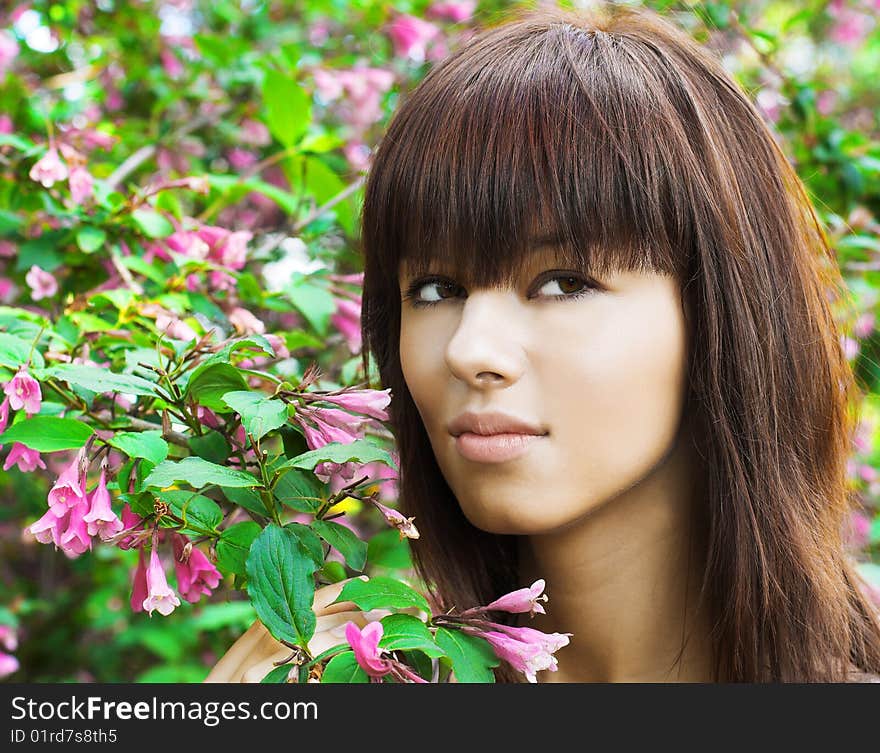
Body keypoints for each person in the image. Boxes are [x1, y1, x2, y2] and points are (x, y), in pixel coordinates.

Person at [207, 2, 880, 683]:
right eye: (436, 290)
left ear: (718, 313)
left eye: (563, 281)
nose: (470, 351)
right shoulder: (332, 668)